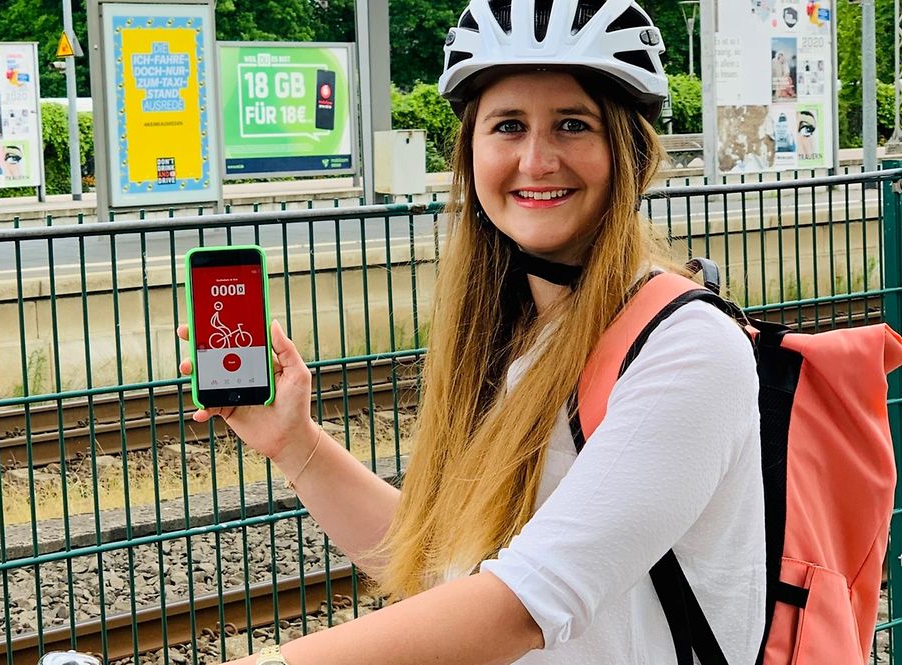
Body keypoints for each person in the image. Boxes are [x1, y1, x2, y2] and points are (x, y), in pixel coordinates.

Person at [178, 0, 764, 662]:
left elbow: (521, 602)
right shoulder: (517, 338)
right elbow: (443, 567)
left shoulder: (686, 347)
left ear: (626, 151)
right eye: (508, 126)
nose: (536, 160)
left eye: (572, 125)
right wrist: (297, 444)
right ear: (471, 150)